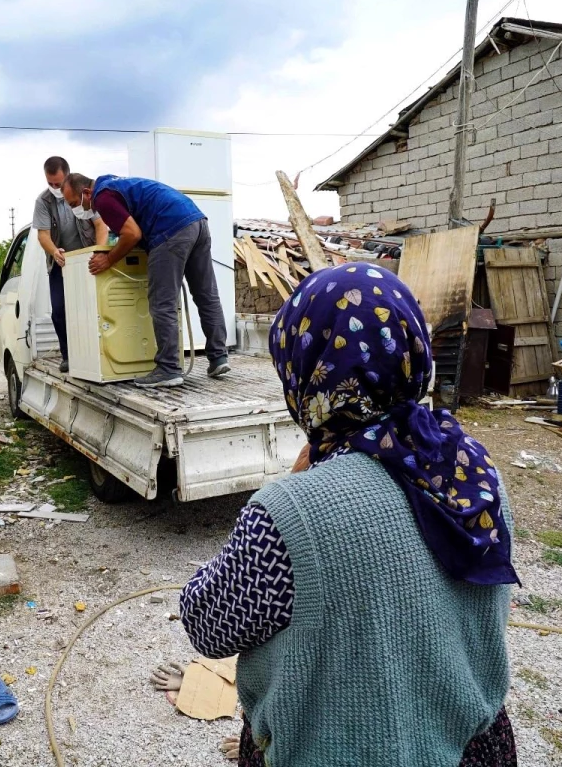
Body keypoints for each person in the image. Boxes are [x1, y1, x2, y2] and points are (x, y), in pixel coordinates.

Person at [179, 264, 519, 767]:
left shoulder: (287, 514)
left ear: (305, 369)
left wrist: (294, 486)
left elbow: (207, 624)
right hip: (476, 750)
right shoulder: (471, 469)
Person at [61, 173, 229, 389]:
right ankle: (218, 358)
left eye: (74, 203)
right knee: (206, 295)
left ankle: (168, 369)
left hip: (170, 229)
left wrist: (109, 259)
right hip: (197, 220)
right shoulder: (115, 182)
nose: (76, 209)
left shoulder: (102, 197)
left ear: (86, 193)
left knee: (162, 302)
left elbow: (132, 233)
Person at [31, 157, 108, 373]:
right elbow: (43, 235)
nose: (55, 188)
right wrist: (55, 251)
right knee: (59, 310)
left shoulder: (84, 193)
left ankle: (99, 354)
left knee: (94, 308)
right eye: (50, 184)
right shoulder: (43, 202)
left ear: (68, 176)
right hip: (62, 262)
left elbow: (101, 225)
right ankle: (68, 355)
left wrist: (99, 252)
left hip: (89, 258)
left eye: (58, 183)